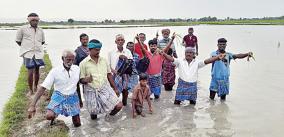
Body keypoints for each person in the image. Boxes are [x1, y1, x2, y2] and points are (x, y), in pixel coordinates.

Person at [28, 50, 81, 127]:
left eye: (72, 60)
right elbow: (43, 87)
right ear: (62, 58)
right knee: (49, 116)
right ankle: (55, 115)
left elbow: (77, 85)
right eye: (68, 60)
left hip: (72, 96)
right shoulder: (55, 71)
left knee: (77, 124)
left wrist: (80, 100)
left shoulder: (77, 69)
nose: (70, 62)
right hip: (59, 95)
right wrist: (32, 105)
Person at [80, 39, 123, 120]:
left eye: (99, 49)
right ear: (90, 49)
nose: (98, 51)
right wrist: (86, 80)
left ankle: (109, 117)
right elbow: (80, 80)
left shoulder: (104, 60)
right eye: (96, 50)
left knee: (118, 105)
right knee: (93, 113)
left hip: (104, 87)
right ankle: (94, 127)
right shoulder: (83, 63)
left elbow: (109, 75)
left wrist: (115, 88)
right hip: (91, 89)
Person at [136, 33, 175, 99]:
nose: (153, 47)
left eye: (154, 45)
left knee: (157, 95)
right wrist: (138, 40)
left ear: (157, 46)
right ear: (149, 47)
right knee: (147, 94)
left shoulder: (161, 54)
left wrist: (172, 39)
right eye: (151, 46)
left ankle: (157, 105)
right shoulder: (147, 54)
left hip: (157, 77)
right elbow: (142, 48)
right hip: (148, 77)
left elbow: (167, 47)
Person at [15, 13, 45, 94]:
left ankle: (35, 86)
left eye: (36, 20)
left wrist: (36, 47)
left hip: (38, 53)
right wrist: (25, 47)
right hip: (28, 53)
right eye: (33, 20)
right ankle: (31, 90)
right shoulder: (22, 29)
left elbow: (42, 41)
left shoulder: (40, 30)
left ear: (38, 20)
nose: (35, 22)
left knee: (37, 70)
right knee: (30, 71)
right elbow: (18, 40)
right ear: (29, 20)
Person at [108, 34, 133, 106]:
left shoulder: (127, 51)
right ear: (115, 41)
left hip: (125, 74)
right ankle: (115, 105)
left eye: (122, 40)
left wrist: (125, 58)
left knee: (125, 90)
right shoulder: (111, 52)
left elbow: (130, 62)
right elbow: (108, 65)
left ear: (124, 41)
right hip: (114, 74)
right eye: (118, 40)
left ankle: (125, 104)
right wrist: (114, 71)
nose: (120, 41)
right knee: (115, 90)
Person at [74, 33, 89, 108]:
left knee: (89, 87)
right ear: (80, 40)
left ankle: (88, 102)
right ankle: (80, 101)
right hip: (81, 71)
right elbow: (75, 63)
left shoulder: (91, 48)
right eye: (83, 39)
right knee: (79, 87)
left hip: (90, 71)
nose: (85, 41)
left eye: (86, 39)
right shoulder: (77, 51)